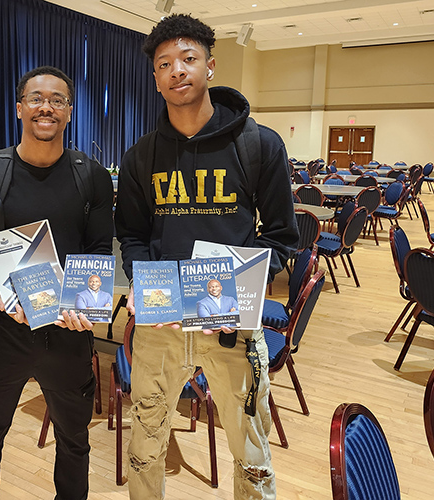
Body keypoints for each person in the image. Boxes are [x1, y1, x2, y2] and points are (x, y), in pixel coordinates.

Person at [114, 14, 298, 500]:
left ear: (211, 66)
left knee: (251, 452)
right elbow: (131, 235)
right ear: (155, 79)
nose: (178, 70)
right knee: (145, 446)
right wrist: (142, 282)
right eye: (165, 64)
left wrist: (239, 293)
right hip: (161, 326)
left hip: (231, 324)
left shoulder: (259, 145)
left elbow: (282, 238)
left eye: (189, 59)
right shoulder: (141, 157)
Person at [0, 66, 114, 500]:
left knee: (75, 443)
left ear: (69, 112)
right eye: (37, 98)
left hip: (66, 336)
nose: (47, 106)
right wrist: (6, 296)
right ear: (20, 107)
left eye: (57, 100)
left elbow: (99, 250)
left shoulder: (92, 176)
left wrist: (85, 303)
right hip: (1, 334)